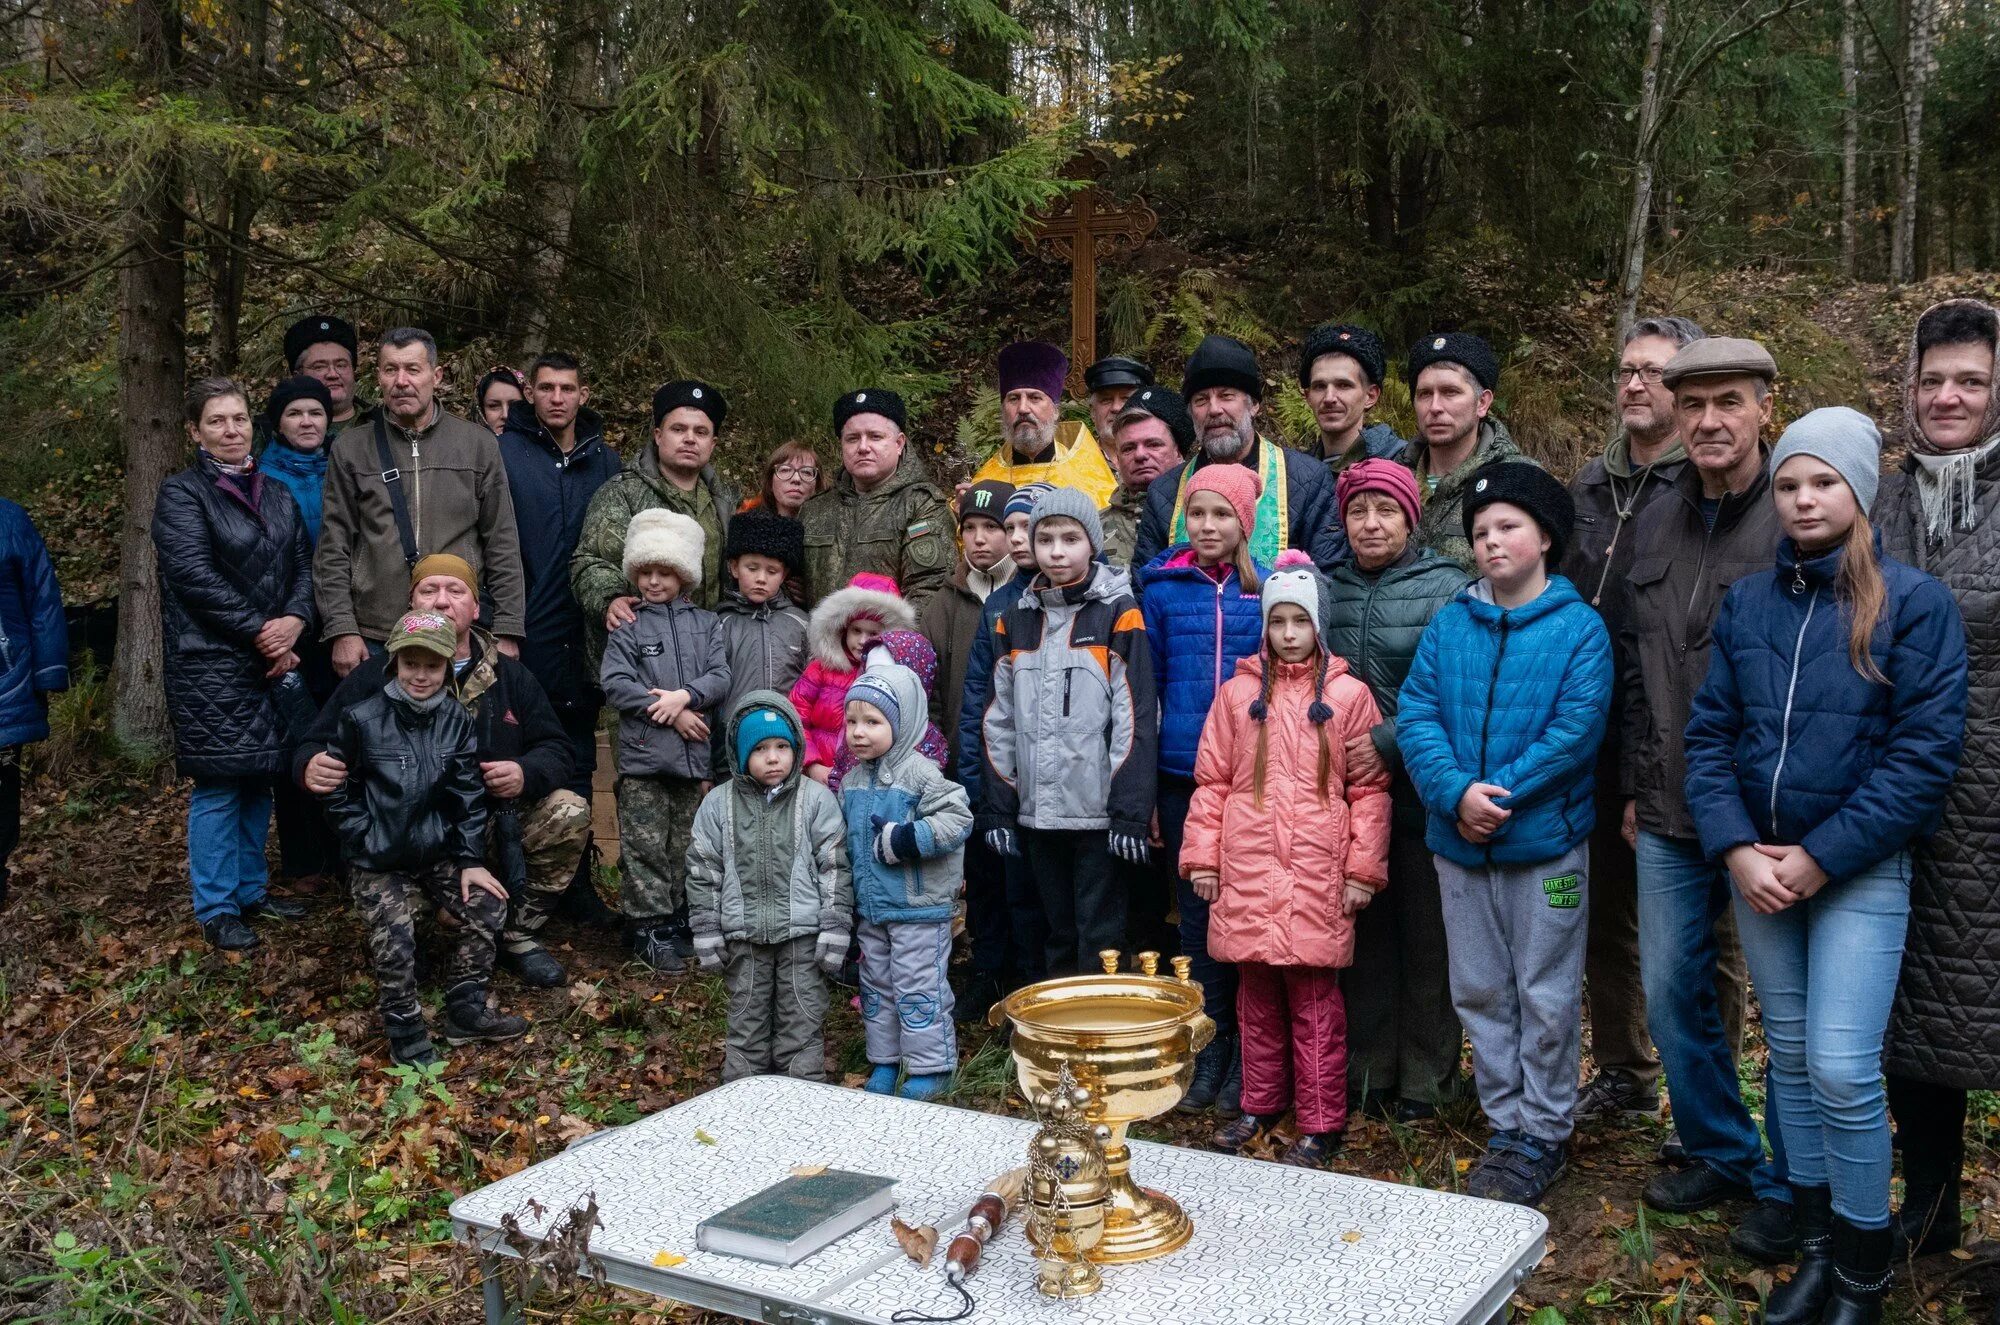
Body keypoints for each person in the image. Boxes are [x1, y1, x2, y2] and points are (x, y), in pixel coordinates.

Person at [1684, 407, 1967, 1325]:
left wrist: (1820, 856)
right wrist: (1734, 846)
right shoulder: (1750, 604)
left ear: (1860, 492)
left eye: (1824, 482)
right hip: (1759, 870)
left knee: (1843, 1067)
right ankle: (1815, 1251)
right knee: (1795, 1061)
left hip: (1857, 873)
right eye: (1791, 484)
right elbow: (1710, 737)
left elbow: (1923, 757)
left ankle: (1863, 1269)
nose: (1804, 498)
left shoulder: (1915, 605)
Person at [1397, 462, 1612, 1206]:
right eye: (1481, 531)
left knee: (1546, 991)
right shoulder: (1451, 621)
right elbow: (1417, 710)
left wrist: (1502, 795)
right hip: (1458, 844)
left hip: (1543, 848)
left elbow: (1575, 730)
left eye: (1509, 527)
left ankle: (1546, 1129)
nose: (1492, 541)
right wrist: (1456, 792)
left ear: (1545, 537)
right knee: (1481, 987)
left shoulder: (1579, 628)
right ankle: (1506, 1123)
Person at [1620, 336, 1794, 1259]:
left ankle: (1793, 1181)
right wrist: (1635, 783)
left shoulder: (1800, 513)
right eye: (1694, 405)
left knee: (1784, 1006)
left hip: (1769, 816)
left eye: (1729, 401)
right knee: (1668, 988)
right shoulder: (1657, 518)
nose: (1710, 421)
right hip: (1671, 807)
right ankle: (1725, 1150)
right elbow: (1637, 666)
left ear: (1766, 404)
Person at [1186, 551, 1391, 1167]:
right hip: (1247, 871)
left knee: (1314, 1002)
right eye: (1278, 622)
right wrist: (1203, 858)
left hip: (1316, 875)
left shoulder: (1350, 697)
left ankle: (1322, 1119)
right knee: (1254, 997)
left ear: (1319, 625)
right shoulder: (1238, 695)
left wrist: (1361, 871)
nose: (1289, 634)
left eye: (1300, 621)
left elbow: (1370, 792)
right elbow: (1212, 783)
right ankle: (1260, 1100)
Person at [295, 556, 589, 987]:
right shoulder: (375, 676)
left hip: (487, 828)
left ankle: (516, 934)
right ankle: (437, 926)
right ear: (411, 604)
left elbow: (558, 748)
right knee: (408, 946)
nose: (442, 601)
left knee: (570, 809)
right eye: (428, 590)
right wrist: (309, 765)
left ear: (475, 608)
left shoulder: (512, 677)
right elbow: (314, 742)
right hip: (406, 839)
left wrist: (525, 771)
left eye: (456, 591)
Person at [1875, 298, 2000, 1259]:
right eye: (1933, 380)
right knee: (1916, 1015)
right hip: (1903, 798)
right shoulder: (1883, 497)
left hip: (1993, 796)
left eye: (1971, 380)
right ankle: (1929, 1203)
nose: (1948, 396)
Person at [1564, 315, 1703, 1125]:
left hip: (1679, 731)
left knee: (1696, 932)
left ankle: (1702, 1095)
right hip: (1594, 728)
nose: (1634, 384)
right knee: (1605, 915)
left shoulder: (1704, 483)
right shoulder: (1589, 484)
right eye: (1626, 369)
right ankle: (1624, 1069)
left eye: (1653, 370)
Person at [1324, 459, 1472, 1123]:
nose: (1371, 523)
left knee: (1428, 940)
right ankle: (1368, 1071)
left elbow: (1455, 689)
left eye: (1386, 510)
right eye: (1359, 510)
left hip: (1420, 790)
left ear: (1410, 518)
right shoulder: (1328, 588)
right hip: (1349, 799)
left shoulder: (1446, 587)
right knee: (1365, 936)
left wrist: (1388, 740)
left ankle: (1427, 1081)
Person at [154, 378, 315, 952]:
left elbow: (303, 566)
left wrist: (294, 622)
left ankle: (251, 892)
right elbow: (194, 577)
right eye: (217, 421)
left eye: (239, 419)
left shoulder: (275, 491)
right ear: (195, 431)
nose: (231, 430)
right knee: (221, 782)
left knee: (259, 777)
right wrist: (263, 634)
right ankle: (217, 906)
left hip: (271, 657)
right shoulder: (182, 495)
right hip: (211, 661)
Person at [322, 610, 523, 1067]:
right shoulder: (362, 718)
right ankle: (403, 1022)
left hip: (436, 853)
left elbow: (467, 793)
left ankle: (465, 1005)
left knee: (489, 903)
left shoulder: (455, 719)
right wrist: (364, 835)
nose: (421, 675)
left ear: (445, 666)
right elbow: (338, 789)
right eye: (411, 664)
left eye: (432, 666)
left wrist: (470, 858)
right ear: (394, 664)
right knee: (396, 932)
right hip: (379, 856)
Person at [981, 489, 1158, 977]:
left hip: (1098, 814)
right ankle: (1059, 1042)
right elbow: (998, 719)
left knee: (1101, 934)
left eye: (1070, 539)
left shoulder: (1118, 612)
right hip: (1037, 812)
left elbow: (1135, 715)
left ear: (1093, 543)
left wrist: (1130, 812)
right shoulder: (1014, 618)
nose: (1057, 551)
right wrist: (1000, 804)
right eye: (1046, 539)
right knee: (1055, 930)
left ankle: (1101, 1037)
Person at [1141, 465, 1270, 1117]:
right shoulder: (1161, 590)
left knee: (1245, 915)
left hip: (1250, 782)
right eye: (1198, 514)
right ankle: (1210, 1044)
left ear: (1244, 522)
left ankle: (1252, 1051)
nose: (1209, 526)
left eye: (1223, 514)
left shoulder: (1264, 590)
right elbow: (1147, 688)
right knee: (1196, 918)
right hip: (1180, 775)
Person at [316, 327, 526, 678]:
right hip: (374, 633)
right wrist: (341, 628)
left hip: (459, 633)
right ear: (378, 377)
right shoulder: (351, 448)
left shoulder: (477, 445)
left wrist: (506, 628)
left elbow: (501, 540)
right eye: (390, 370)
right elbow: (332, 546)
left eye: (413, 369)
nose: (401, 381)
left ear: (436, 375)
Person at [497, 351, 621, 917]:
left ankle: (577, 882)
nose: (556, 398)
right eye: (545, 388)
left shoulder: (607, 464)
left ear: (583, 394)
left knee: (578, 753)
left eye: (567, 388)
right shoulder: (503, 455)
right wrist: (502, 623)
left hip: (588, 632)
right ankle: (521, 878)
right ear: (531, 393)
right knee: (524, 750)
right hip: (525, 631)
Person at [688, 692, 852, 1082]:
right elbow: (703, 869)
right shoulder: (718, 804)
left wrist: (835, 925)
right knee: (746, 1021)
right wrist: (707, 928)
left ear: (796, 747)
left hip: (803, 936)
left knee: (803, 1018)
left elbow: (834, 865)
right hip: (743, 935)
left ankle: (804, 1095)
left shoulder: (816, 800)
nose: (773, 757)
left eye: (782, 746)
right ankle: (742, 1096)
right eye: (760, 748)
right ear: (741, 753)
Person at [600, 509, 729, 971]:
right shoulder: (628, 624)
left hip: (691, 760)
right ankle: (646, 927)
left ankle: (678, 920)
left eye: (664, 573)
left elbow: (719, 677)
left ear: (684, 575)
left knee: (685, 845)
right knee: (644, 844)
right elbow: (616, 683)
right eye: (645, 572)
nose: (654, 582)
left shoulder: (708, 624)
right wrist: (672, 714)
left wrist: (685, 696)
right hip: (643, 758)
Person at [843, 662, 974, 1100]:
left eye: (872, 722)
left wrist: (906, 838)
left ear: (904, 723)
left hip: (919, 907)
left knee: (918, 985)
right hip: (873, 908)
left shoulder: (922, 774)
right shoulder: (851, 782)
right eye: (851, 722)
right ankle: (886, 1060)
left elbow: (958, 818)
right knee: (876, 987)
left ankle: (932, 1067)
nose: (859, 732)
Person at [919, 479, 1018, 1015]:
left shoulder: (1028, 592)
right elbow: (928, 688)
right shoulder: (944, 602)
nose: (980, 540)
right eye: (971, 530)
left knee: (1019, 877)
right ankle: (986, 969)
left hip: (1021, 768)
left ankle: (1025, 974)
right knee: (979, 875)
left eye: (994, 528)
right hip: (966, 763)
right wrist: (940, 751)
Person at [1133, 334, 1345, 570]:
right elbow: (1145, 583)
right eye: (1201, 400)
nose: (1214, 409)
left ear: (1253, 404)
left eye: (1226, 396)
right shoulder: (1164, 492)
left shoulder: (1307, 480)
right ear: (1191, 413)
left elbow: (1328, 574)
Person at [953, 483, 1049, 989]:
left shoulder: (1099, 597)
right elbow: (978, 704)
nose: (1014, 539)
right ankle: (1002, 988)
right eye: (1007, 527)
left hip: (1065, 784)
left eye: (1022, 526)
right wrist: (974, 782)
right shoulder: (1000, 608)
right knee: (1007, 891)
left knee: (1052, 902)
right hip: (1005, 779)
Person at [573, 379, 739, 665]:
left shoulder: (726, 501)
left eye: (700, 432)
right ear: (658, 436)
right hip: (638, 660)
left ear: (712, 445)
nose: (689, 438)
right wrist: (609, 600)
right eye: (678, 429)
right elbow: (590, 560)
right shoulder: (623, 492)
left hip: (703, 658)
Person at [258, 374, 344, 893]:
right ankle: (303, 861)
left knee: (343, 735)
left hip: (338, 618)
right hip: (289, 625)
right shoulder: (263, 475)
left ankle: (346, 851)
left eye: (315, 412)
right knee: (295, 738)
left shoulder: (345, 463)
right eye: (295, 414)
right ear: (278, 423)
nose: (307, 422)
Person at [1399, 332, 1540, 571]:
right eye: (1425, 394)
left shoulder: (1518, 478)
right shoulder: (1392, 477)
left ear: (1482, 403)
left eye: (1450, 392)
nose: (1435, 407)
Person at [801, 390, 953, 609]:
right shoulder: (815, 510)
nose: (863, 447)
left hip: (887, 641)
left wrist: (888, 644)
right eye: (852, 438)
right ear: (841, 445)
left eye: (875, 436)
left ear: (899, 444)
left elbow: (930, 590)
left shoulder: (920, 505)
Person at [0, 498, 68, 910]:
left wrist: (48, 672)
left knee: (2, 784)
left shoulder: (9, 518)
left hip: (8, 676)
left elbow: (42, 596)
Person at [711, 507, 810, 780]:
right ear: (734, 567)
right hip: (730, 755)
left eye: (772, 570)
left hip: (788, 753)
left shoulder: (801, 624)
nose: (761, 578)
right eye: (751, 568)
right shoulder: (717, 624)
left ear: (785, 574)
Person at [791, 572, 915, 783]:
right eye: (856, 630)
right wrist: (812, 764)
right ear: (843, 629)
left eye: (873, 632)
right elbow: (795, 715)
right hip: (819, 777)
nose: (863, 640)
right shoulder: (821, 669)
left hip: (868, 783)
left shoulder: (895, 679)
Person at [968, 342, 1118, 507]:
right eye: (1014, 398)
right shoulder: (987, 479)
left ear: (1055, 410)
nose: (1023, 408)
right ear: (1003, 410)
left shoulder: (1090, 476)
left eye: (1034, 398)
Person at [829, 628, 949, 790]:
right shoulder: (858, 731)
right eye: (871, 672)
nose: (879, 681)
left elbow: (939, 803)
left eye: (889, 674)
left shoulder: (928, 744)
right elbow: (838, 780)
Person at [1102, 386, 1194, 568]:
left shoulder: (1203, 519)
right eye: (1128, 448)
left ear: (1179, 452)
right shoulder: (1092, 531)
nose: (1140, 455)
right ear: (1117, 458)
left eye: (1153, 444)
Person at [1299, 323, 1406, 475]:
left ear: (1371, 396)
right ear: (1308, 396)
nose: (1329, 398)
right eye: (1320, 386)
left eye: (1343, 385)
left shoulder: (1402, 464)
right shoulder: (1296, 472)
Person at [282, 314, 370, 440]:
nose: (333, 374)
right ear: (298, 376)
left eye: (341, 365)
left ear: (353, 370)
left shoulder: (384, 424)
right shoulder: (270, 432)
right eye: (319, 367)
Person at [1084, 354, 1155, 459]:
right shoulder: (1076, 464)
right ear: (1093, 412)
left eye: (1126, 399)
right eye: (1106, 400)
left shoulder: (1160, 461)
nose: (1116, 408)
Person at [741, 440, 828, 519]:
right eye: (785, 470)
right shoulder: (745, 528)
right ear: (770, 482)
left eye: (806, 472)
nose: (796, 479)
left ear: (817, 485)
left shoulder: (833, 528)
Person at [476, 367, 527, 436]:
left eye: (515, 405)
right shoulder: (465, 445)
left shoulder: (544, 445)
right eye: (493, 406)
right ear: (481, 409)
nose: (505, 415)